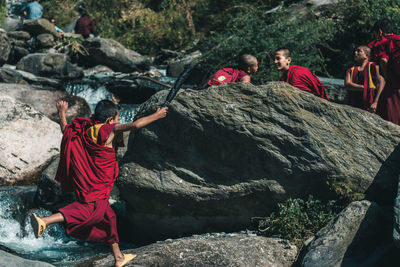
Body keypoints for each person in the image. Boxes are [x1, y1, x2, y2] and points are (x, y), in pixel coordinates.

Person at [30, 100, 168, 267]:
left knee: (108, 217)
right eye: (116, 118)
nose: (118, 121)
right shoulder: (108, 130)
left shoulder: (87, 128)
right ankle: (46, 220)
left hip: (86, 179)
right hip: (99, 183)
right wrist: (157, 115)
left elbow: (67, 132)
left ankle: (118, 258)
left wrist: (62, 114)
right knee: (87, 209)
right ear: (109, 120)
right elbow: (136, 125)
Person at [368, 18, 400, 125]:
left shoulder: (383, 42)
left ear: (380, 31)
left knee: (392, 117)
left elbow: (383, 60)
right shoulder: (398, 39)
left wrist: (386, 76)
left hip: (394, 84)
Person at [345, 45, 385, 112]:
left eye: (359, 51)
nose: (355, 53)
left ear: (366, 55)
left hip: (370, 105)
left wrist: (376, 102)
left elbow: (382, 82)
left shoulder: (373, 66)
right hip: (353, 104)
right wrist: (364, 87)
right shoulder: (351, 70)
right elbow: (347, 85)